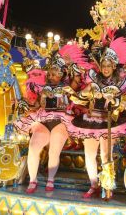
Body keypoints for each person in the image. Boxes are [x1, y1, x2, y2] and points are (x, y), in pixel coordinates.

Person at [65, 35, 126, 199]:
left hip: (108, 122)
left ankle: (108, 186)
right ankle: (94, 185)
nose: (105, 68)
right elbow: (80, 97)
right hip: (91, 121)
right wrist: (75, 93)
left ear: (114, 66)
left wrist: (115, 100)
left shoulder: (121, 83)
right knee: (89, 154)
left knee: (106, 154)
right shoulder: (93, 81)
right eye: (103, 65)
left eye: (108, 65)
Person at [14, 44, 91, 194]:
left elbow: (76, 79)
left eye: (55, 74)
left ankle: (50, 180)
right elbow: (36, 105)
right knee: (33, 147)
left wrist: (71, 62)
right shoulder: (43, 88)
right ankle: (33, 180)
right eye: (49, 74)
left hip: (61, 121)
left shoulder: (67, 87)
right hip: (42, 119)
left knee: (54, 151)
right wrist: (25, 105)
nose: (51, 76)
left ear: (62, 74)